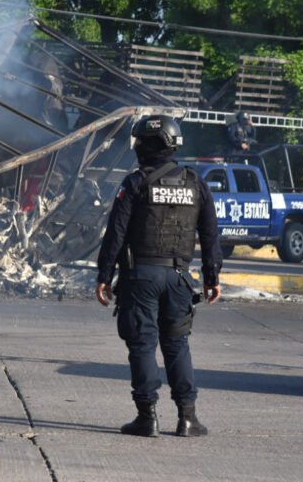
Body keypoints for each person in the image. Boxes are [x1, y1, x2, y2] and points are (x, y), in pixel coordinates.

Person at [95, 114, 222, 438]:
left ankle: (146, 417)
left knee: (142, 344)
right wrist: (211, 278)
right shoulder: (196, 182)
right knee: (177, 344)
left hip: (141, 278)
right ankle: (188, 418)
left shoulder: (135, 182)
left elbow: (116, 234)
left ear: (149, 145)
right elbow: (210, 235)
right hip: (180, 278)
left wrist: (104, 276)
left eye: (139, 141)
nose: (136, 147)